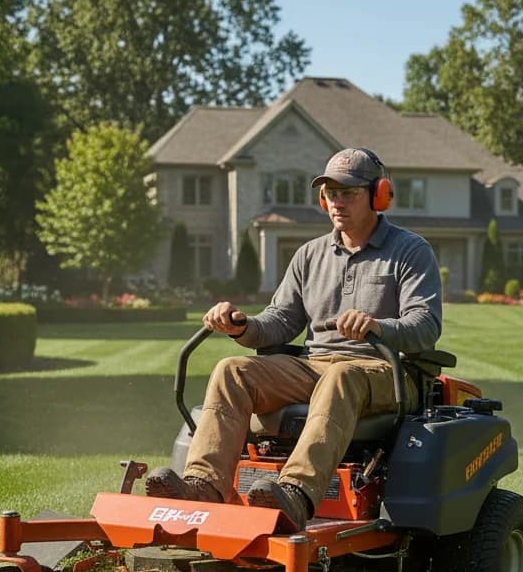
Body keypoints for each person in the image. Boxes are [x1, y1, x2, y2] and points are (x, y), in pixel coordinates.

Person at [145, 146, 443, 530]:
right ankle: (204, 485)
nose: (337, 202)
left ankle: (295, 494)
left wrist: (378, 326)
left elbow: (426, 325)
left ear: (378, 195)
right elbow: (280, 321)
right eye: (330, 193)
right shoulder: (309, 255)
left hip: (382, 369)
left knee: (341, 376)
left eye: (348, 193)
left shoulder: (410, 251)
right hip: (314, 366)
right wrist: (241, 326)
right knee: (232, 370)